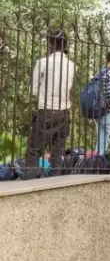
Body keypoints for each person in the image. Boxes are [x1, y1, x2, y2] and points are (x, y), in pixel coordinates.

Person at [25, 29, 75, 178]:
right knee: (57, 152)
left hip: (46, 110)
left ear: (51, 44)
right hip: (64, 112)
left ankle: (31, 182)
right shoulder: (71, 65)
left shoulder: (42, 62)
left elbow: (33, 90)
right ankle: (55, 184)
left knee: (34, 149)